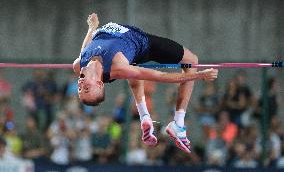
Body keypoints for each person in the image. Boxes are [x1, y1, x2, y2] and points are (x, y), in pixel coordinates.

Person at [73, 13, 218, 153]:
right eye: (86, 87)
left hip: (126, 48)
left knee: (132, 69)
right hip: (145, 44)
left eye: (80, 89)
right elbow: (160, 76)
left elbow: (84, 49)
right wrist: (198, 76)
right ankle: (178, 124)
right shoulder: (117, 66)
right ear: (99, 84)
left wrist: (92, 28)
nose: (80, 84)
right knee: (192, 62)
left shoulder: (78, 66)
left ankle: (145, 117)